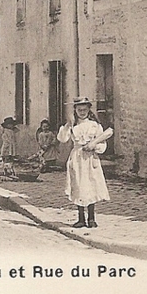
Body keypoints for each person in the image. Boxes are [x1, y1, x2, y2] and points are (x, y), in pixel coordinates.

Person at [58, 97, 113, 228]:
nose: (82, 112)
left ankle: (92, 218)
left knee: (91, 185)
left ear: (89, 110)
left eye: (84, 109)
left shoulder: (94, 125)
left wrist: (94, 145)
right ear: (75, 110)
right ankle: (81, 218)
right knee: (78, 186)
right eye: (79, 110)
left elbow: (102, 142)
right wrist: (68, 124)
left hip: (90, 158)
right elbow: (62, 138)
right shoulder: (73, 125)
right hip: (77, 157)